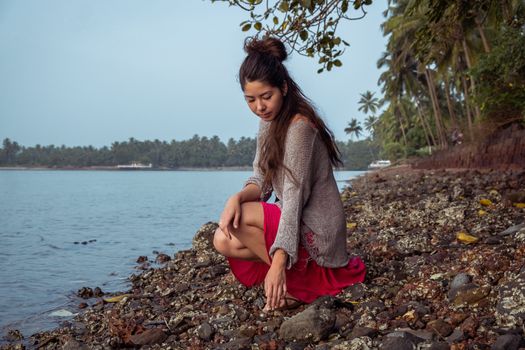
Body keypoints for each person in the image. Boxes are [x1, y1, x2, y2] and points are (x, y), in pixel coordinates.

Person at [213, 37, 366, 312]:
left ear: (283, 88)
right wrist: (235, 197)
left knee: (242, 218)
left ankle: (296, 281)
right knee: (222, 238)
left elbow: (293, 199)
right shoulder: (267, 123)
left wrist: (279, 262)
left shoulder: (299, 127)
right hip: (293, 217)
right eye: (250, 99)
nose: (259, 107)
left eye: (266, 96)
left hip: (318, 231)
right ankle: (294, 281)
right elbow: (260, 179)